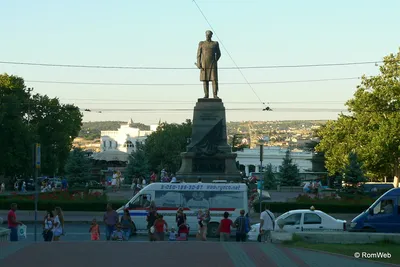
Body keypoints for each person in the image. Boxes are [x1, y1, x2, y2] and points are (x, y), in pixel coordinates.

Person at [196, 30, 221, 99]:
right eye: (207, 35)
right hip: (204, 64)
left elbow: (219, 53)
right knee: (205, 80)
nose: (207, 36)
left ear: (211, 36)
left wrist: (216, 60)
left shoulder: (215, 43)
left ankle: (215, 94)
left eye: (209, 35)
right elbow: (198, 54)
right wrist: (199, 63)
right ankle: (206, 94)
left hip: (212, 64)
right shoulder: (202, 43)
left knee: (214, 80)